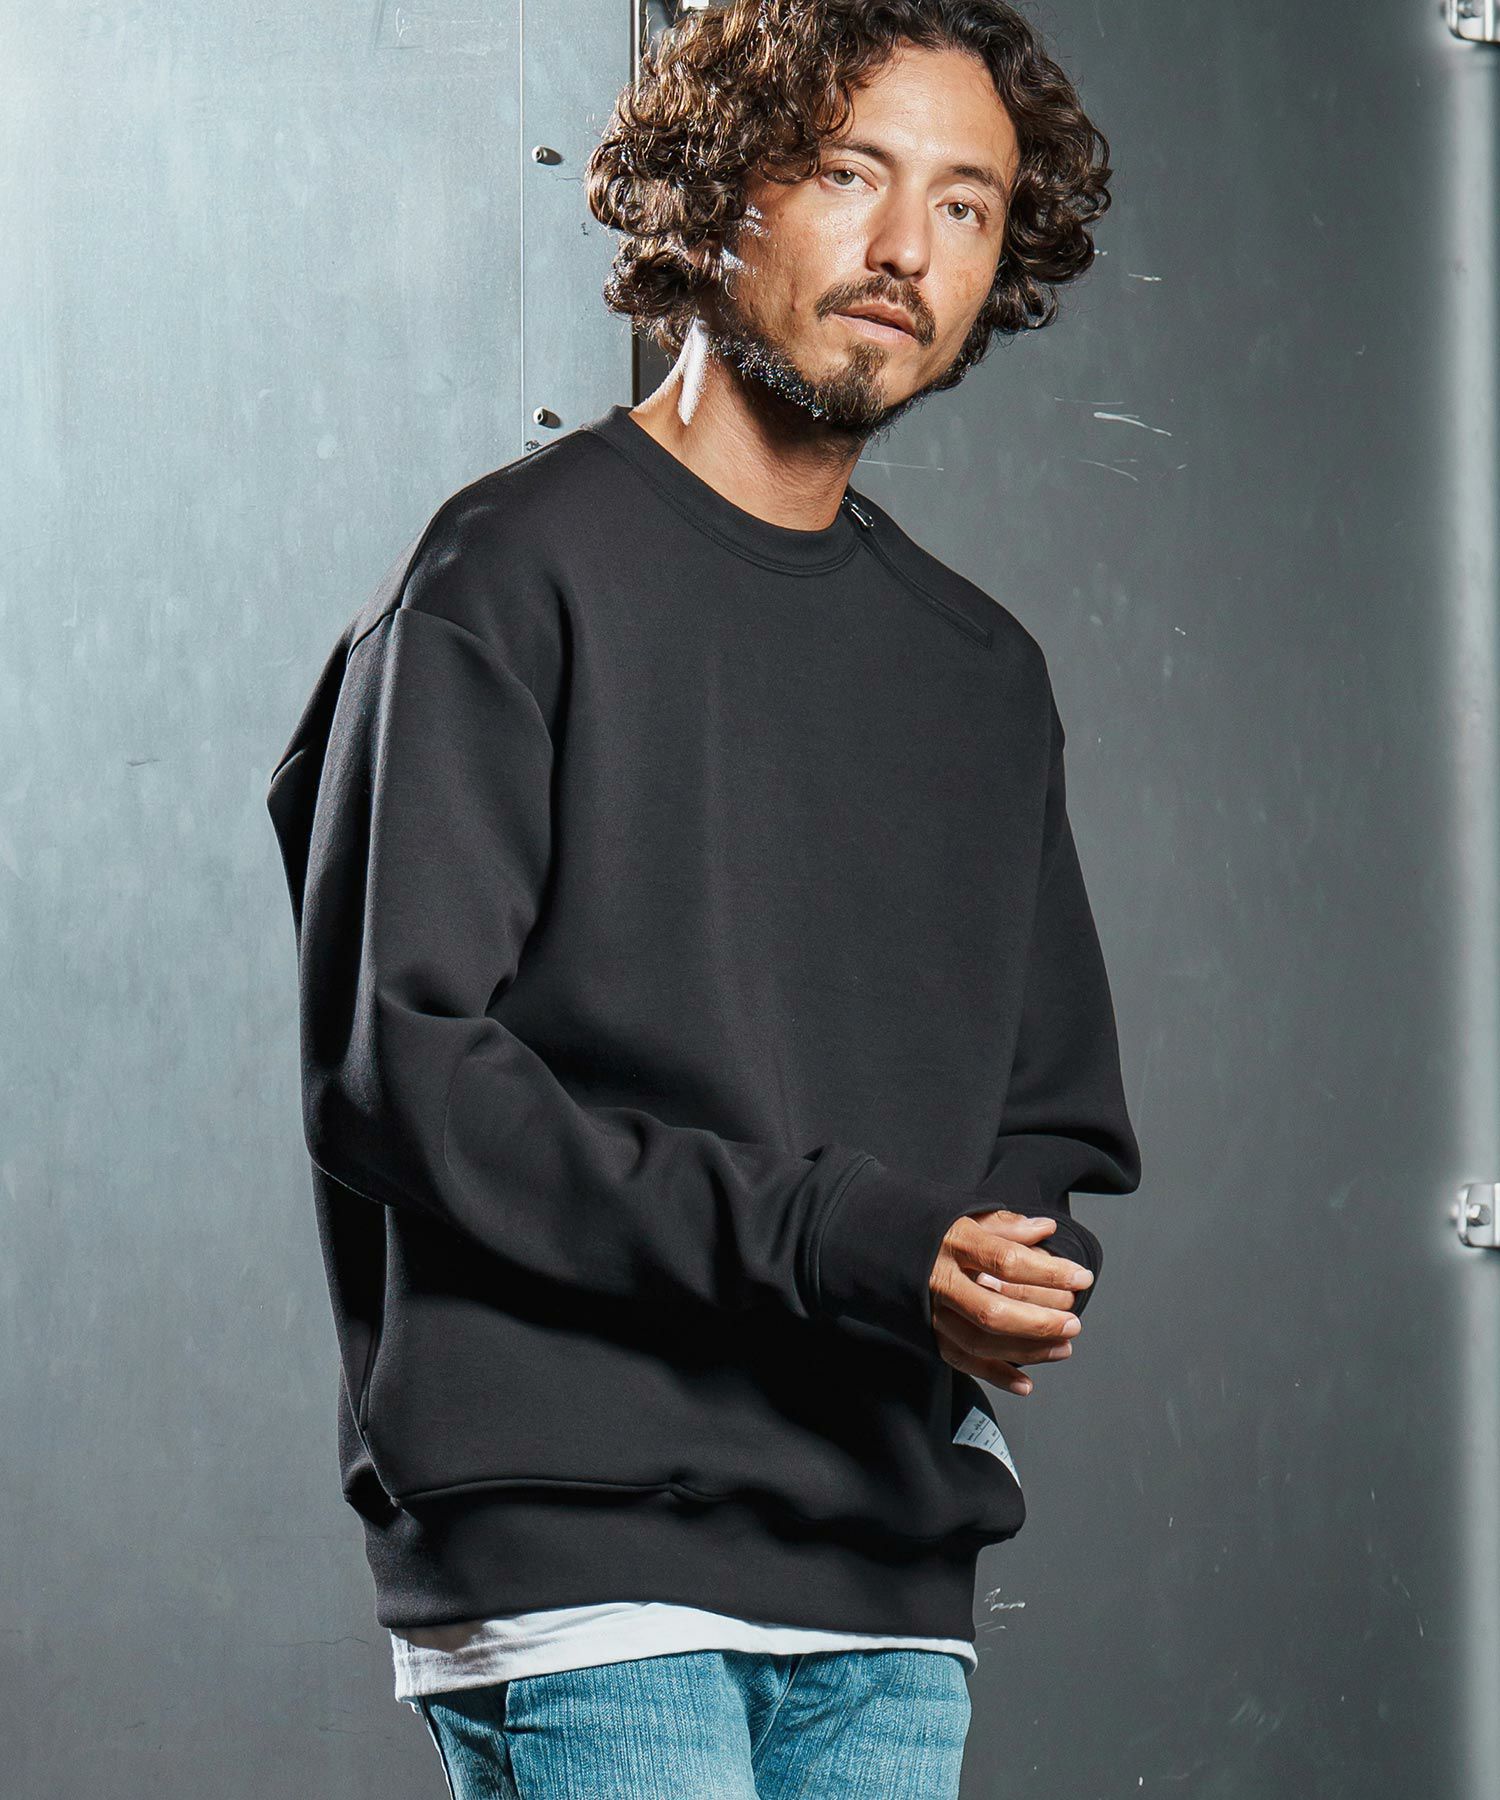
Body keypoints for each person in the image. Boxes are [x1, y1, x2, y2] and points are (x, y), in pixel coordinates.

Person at [264, 0, 1141, 1792]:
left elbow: (1046, 1117)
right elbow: (405, 1076)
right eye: (850, 172)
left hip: (886, 1573)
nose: (908, 250)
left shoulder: (982, 676)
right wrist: (850, 1244)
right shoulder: (506, 576)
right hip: (585, 1557)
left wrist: (1001, 1264)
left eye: (966, 205)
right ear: (718, 186)